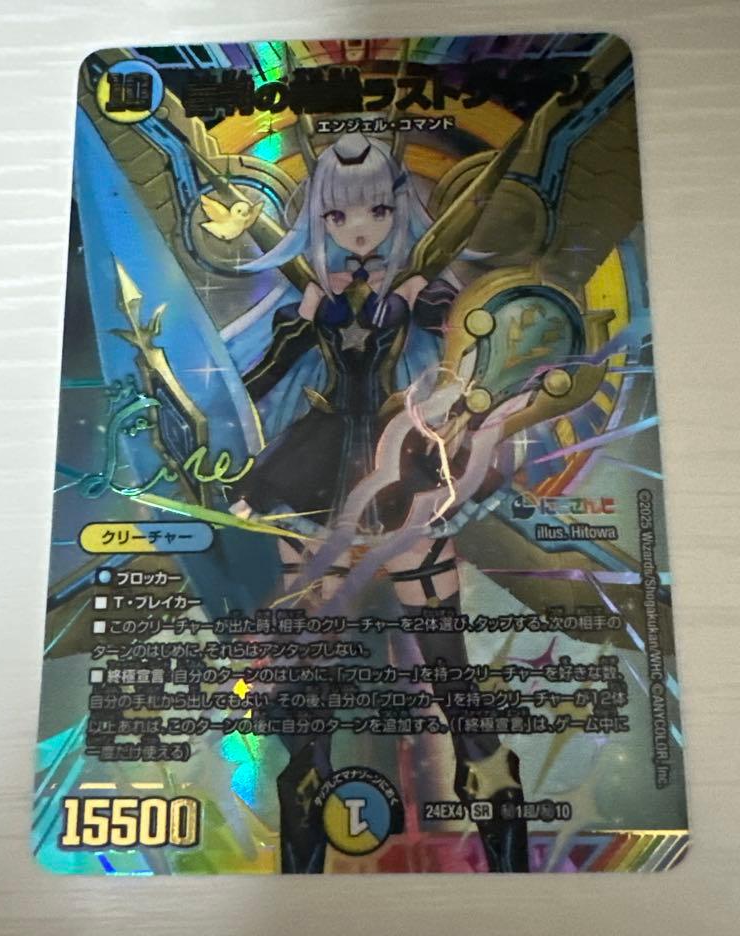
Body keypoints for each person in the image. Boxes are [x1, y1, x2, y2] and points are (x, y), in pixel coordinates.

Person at [226, 133, 529, 872]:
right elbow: (260, 379)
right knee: (309, 677)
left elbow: (474, 357)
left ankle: (502, 821)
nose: (357, 230)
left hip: (403, 471)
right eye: (338, 216)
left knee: (450, 669)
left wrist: (441, 315)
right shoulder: (311, 297)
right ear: (319, 220)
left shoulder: (423, 293)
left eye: (375, 212)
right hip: (315, 477)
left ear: (398, 212)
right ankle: (303, 835)